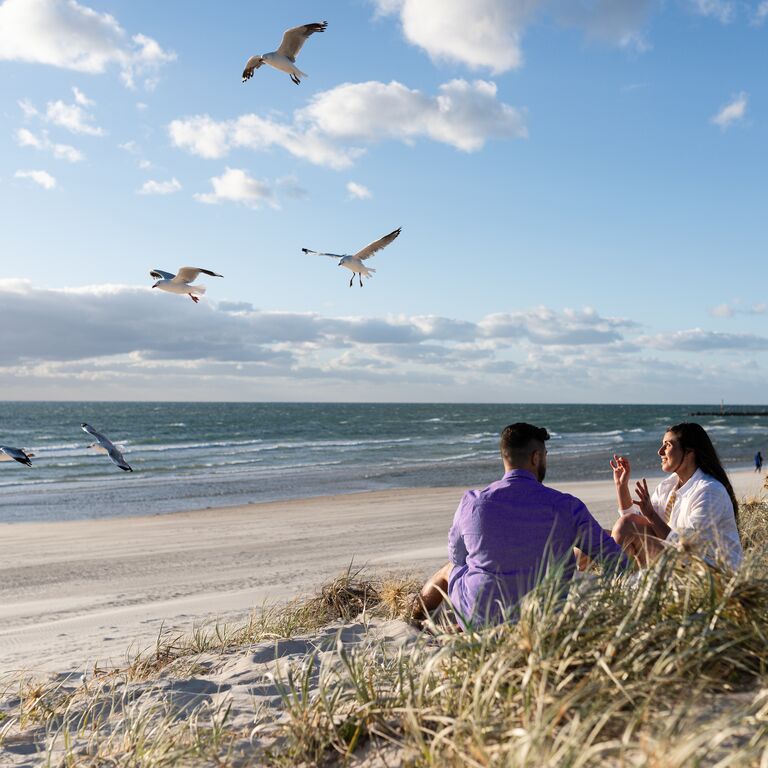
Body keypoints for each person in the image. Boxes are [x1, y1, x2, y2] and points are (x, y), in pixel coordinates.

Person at [413, 422, 629, 627]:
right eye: (545, 456)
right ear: (535, 457)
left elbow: (457, 557)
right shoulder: (567, 506)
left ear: (505, 457)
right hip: (544, 620)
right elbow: (616, 561)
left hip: (479, 622)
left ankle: (414, 616)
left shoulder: (473, 502)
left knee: (449, 569)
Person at [611, 422, 742, 570]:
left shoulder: (710, 491)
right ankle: (620, 581)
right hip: (680, 561)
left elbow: (688, 548)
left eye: (667, 445)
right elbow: (637, 523)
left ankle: (615, 586)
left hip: (710, 574)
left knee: (625, 527)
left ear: (689, 452)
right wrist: (621, 486)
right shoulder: (669, 486)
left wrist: (652, 516)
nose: (660, 452)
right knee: (601, 537)